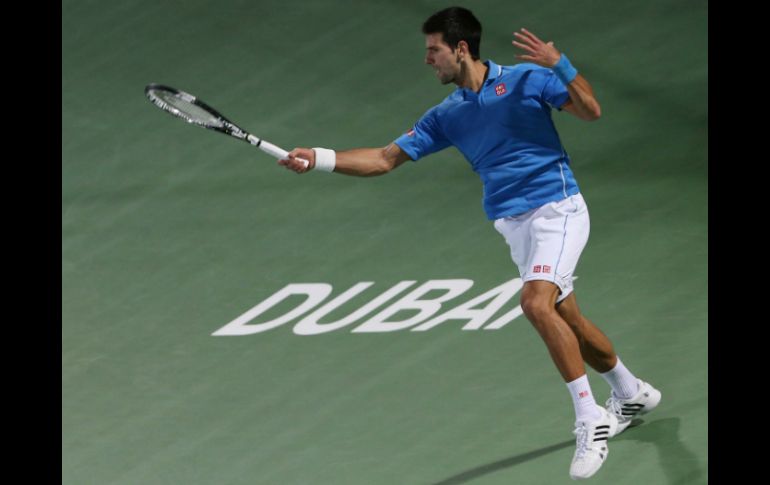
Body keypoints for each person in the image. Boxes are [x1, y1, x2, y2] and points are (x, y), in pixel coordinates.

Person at [279, 6, 661, 480]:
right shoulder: (446, 115)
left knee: (535, 304)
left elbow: (590, 110)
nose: (427, 60)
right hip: (513, 225)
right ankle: (630, 392)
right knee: (567, 319)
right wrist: (318, 158)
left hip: (557, 210)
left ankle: (590, 417)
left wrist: (560, 65)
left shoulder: (527, 80)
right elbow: (383, 159)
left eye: (433, 50)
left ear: (461, 49)